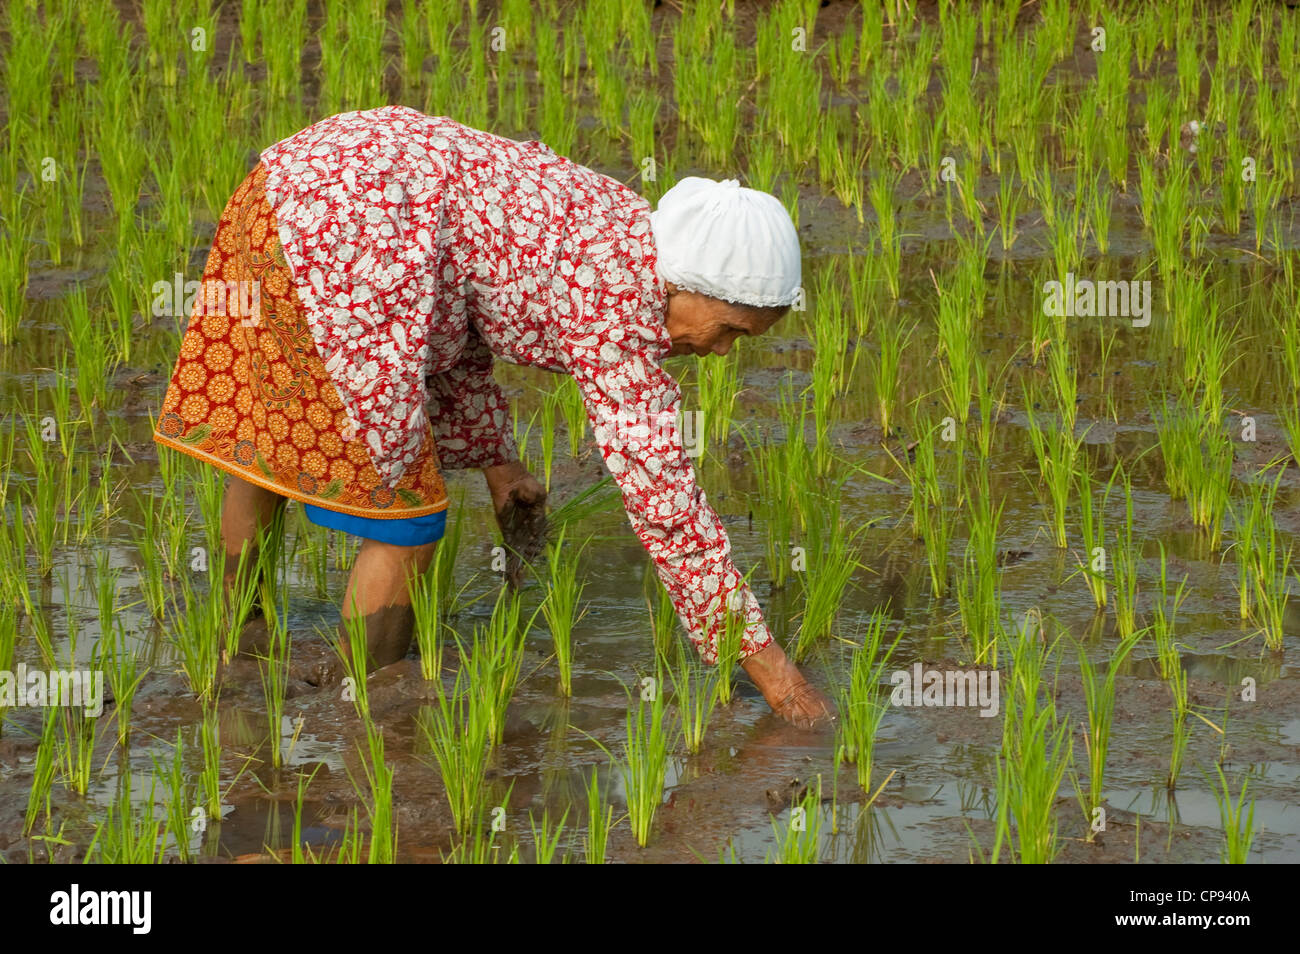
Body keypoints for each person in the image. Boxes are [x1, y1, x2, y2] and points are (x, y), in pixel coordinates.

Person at [153, 105, 834, 728]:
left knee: (267, 439)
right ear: (689, 283)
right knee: (409, 517)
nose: (718, 352)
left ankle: (242, 640)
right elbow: (668, 510)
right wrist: (774, 674)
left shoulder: (620, 221)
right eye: (728, 330)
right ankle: (370, 712)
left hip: (283, 190)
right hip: (348, 236)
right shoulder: (618, 304)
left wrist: (499, 463)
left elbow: (452, 322)